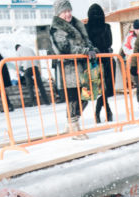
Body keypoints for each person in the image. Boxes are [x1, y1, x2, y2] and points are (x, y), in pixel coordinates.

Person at [49, 0, 97, 139]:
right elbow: (64, 48)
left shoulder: (77, 24)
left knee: (87, 96)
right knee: (73, 98)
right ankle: (74, 128)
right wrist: (85, 51)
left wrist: (91, 49)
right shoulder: (56, 28)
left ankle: (70, 123)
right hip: (69, 69)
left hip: (82, 67)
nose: (68, 14)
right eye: (64, 12)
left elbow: (86, 41)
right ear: (58, 14)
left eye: (69, 11)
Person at [85, 3, 114, 124]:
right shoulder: (106, 26)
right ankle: (104, 111)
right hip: (105, 59)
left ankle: (102, 111)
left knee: (100, 89)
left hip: (93, 61)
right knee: (104, 88)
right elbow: (109, 43)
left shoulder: (86, 27)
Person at [122, 19, 139, 107]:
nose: (138, 31)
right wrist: (133, 52)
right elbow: (125, 48)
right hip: (134, 62)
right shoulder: (129, 37)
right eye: (136, 29)